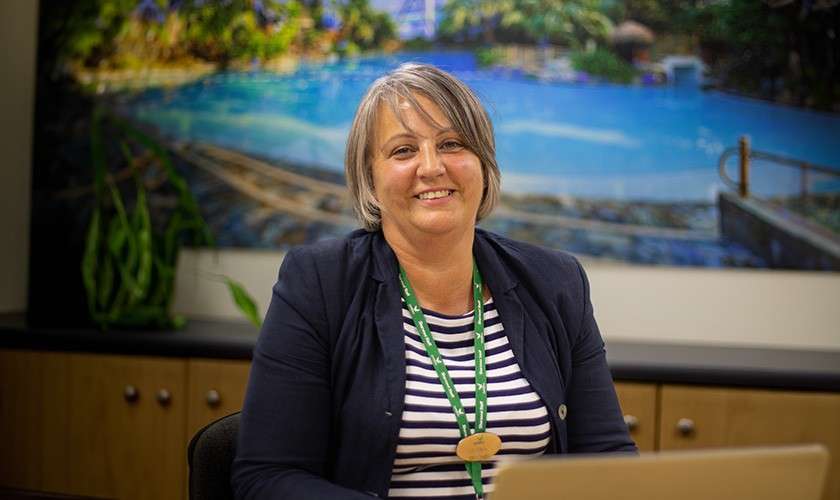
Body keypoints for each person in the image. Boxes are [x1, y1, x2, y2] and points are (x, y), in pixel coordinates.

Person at [232, 63, 636, 500]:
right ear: (369, 177)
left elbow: (609, 458)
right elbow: (267, 478)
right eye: (403, 151)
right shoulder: (319, 283)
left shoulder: (555, 281)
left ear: (483, 164)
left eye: (452, 144)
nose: (431, 166)